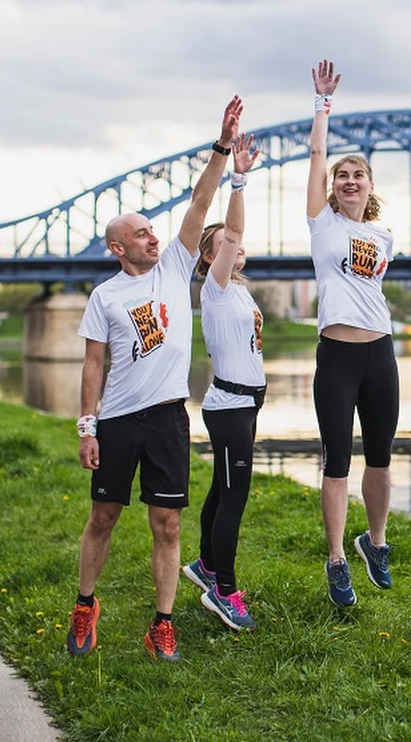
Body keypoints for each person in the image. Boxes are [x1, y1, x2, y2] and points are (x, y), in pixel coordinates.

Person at [67, 96, 243, 662]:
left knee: (167, 525)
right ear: (118, 248)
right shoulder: (105, 295)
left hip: (168, 417)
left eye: (152, 230)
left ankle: (162, 624)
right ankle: (84, 606)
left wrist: (221, 146)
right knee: (103, 516)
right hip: (117, 419)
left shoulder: (173, 265)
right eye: (141, 233)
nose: (153, 236)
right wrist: (87, 427)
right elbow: (94, 364)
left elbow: (200, 199)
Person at [307, 59, 398, 606]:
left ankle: (376, 541)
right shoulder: (323, 223)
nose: (348, 180)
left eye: (357, 174)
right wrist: (323, 105)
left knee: (382, 455)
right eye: (341, 175)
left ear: (368, 186)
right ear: (332, 188)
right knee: (337, 458)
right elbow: (317, 155)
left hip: (381, 354)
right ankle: (338, 557)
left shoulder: (384, 235)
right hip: (337, 356)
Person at [180, 132, 264, 631]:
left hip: (244, 403)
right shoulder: (214, 288)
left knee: (222, 486)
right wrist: (239, 179)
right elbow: (231, 234)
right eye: (224, 247)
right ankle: (224, 591)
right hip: (230, 404)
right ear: (211, 257)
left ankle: (207, 564)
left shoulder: (240, 292)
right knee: (235, 495)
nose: (234, 248)